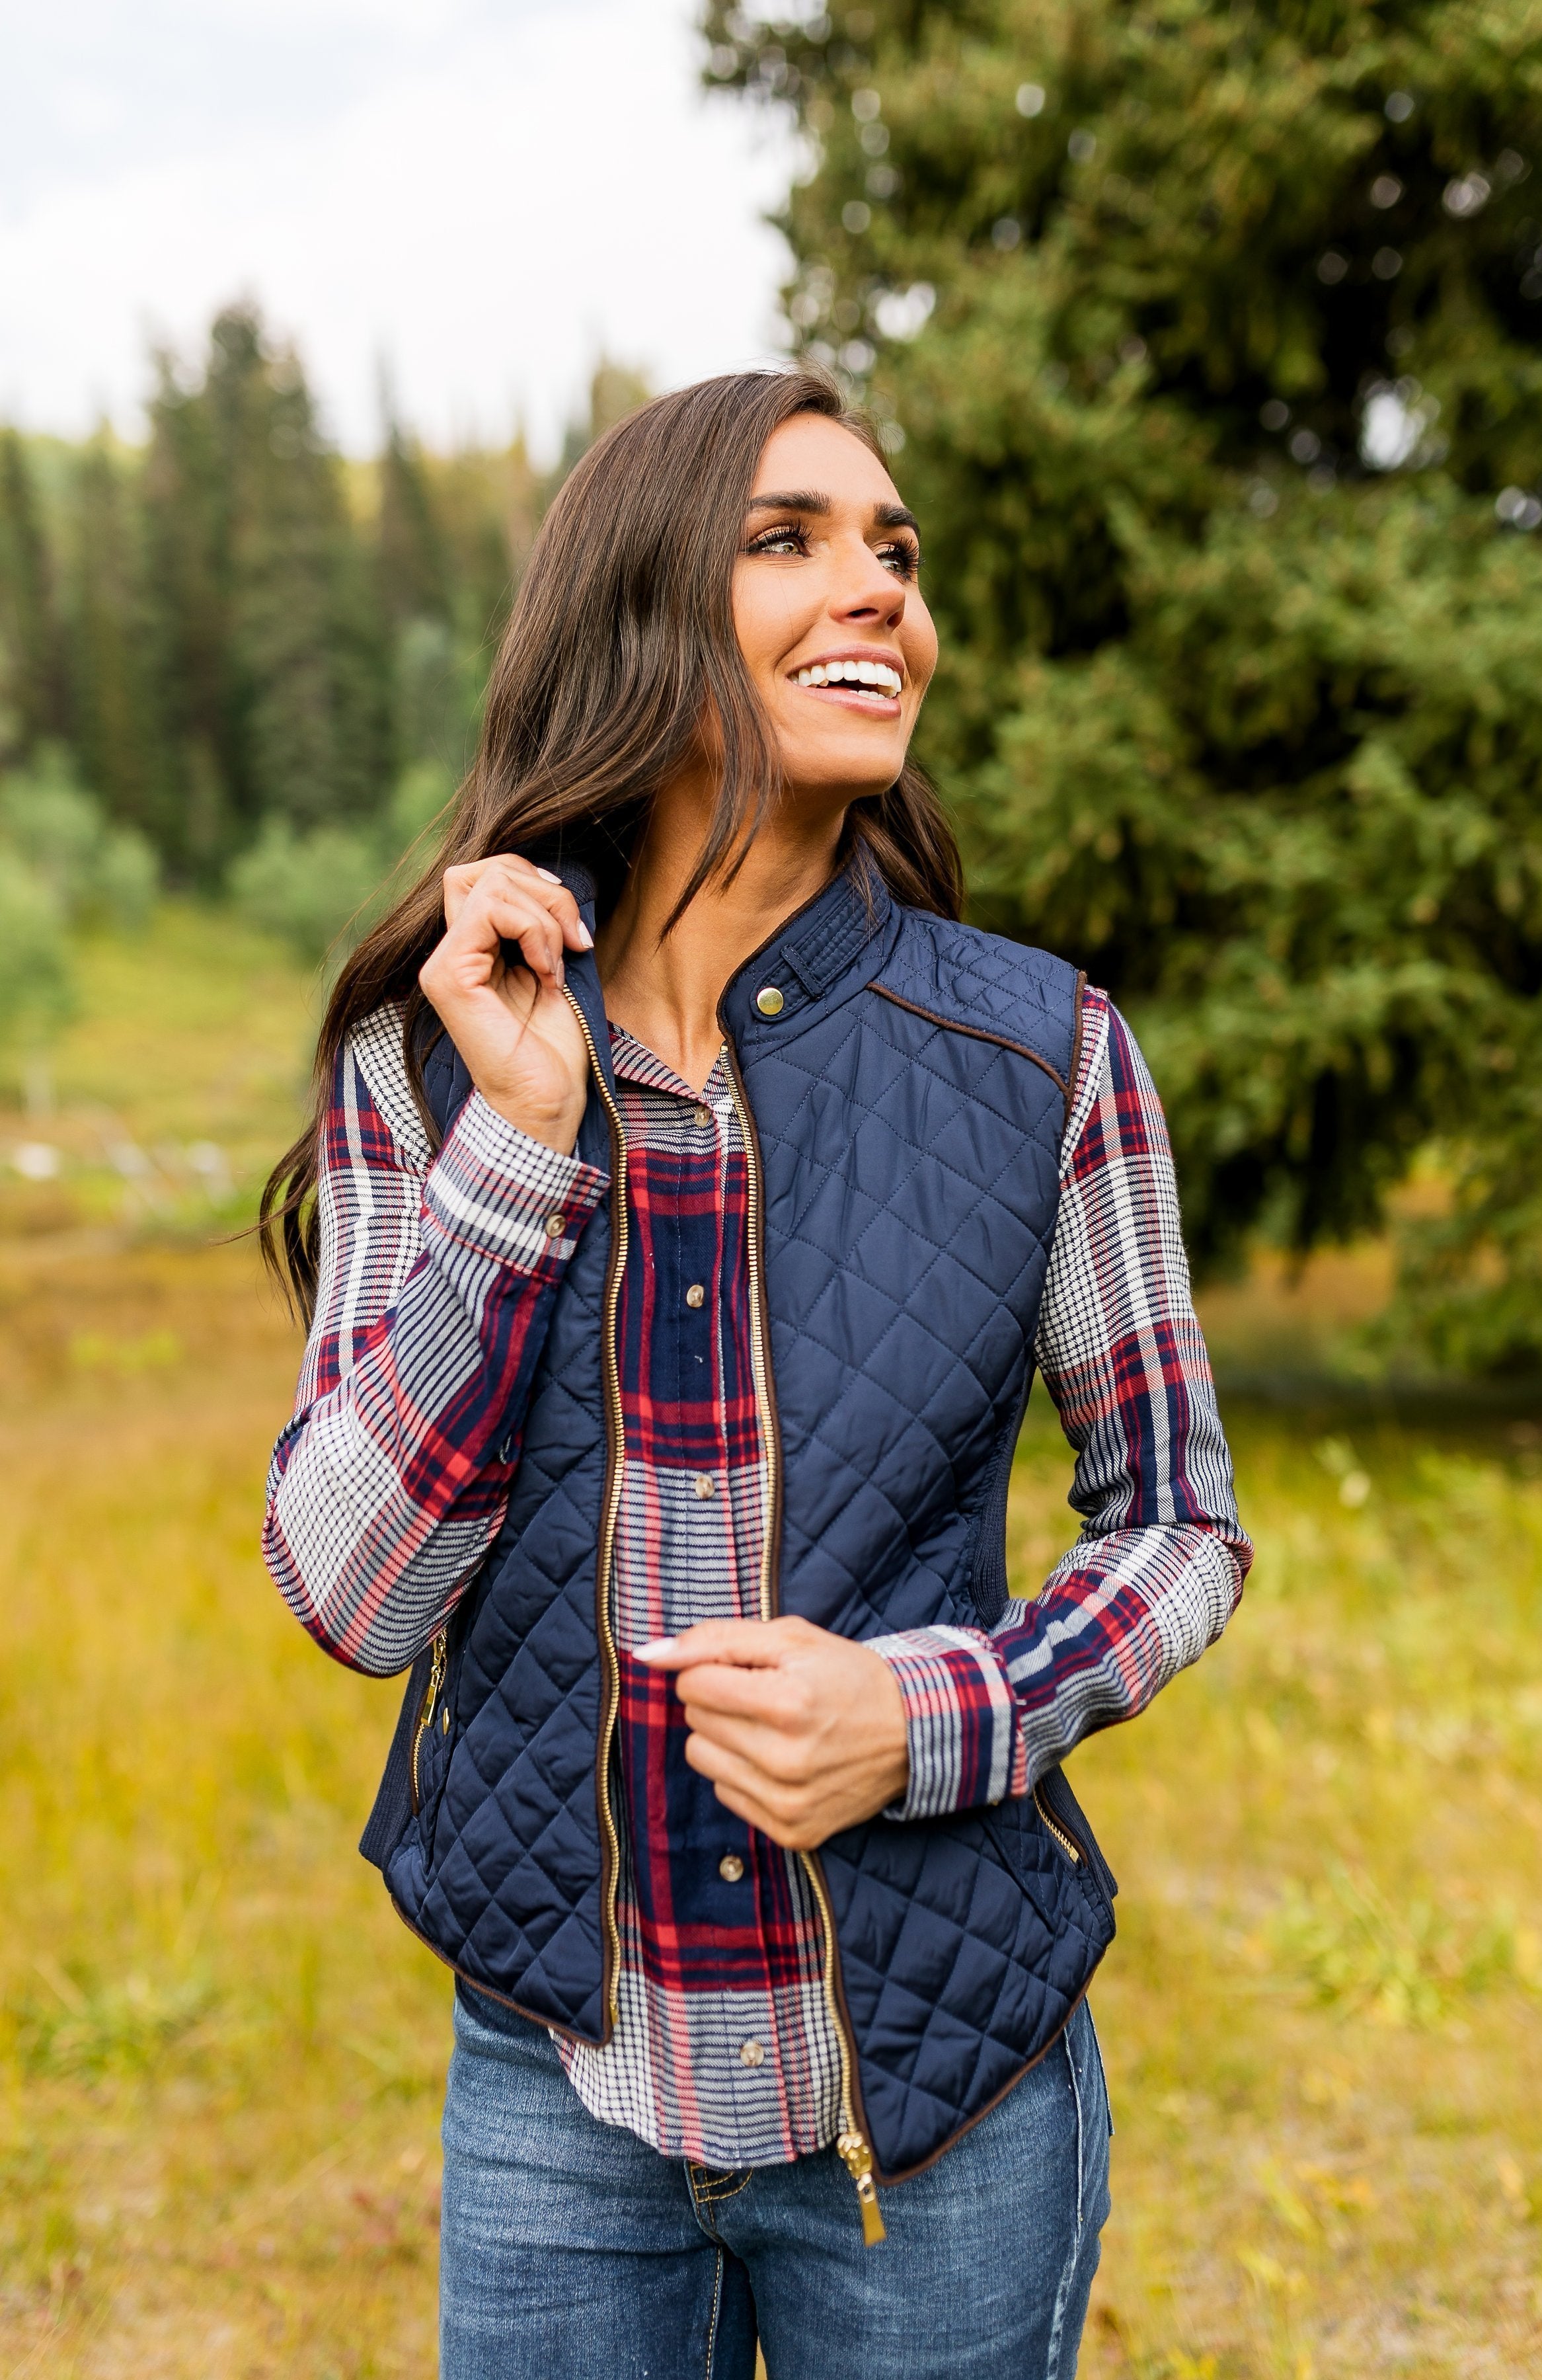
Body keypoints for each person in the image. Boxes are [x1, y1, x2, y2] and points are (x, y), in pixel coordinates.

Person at [259, 368, 1251, 2380]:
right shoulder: (434, 1057)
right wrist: (521, 1151)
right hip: (563, 2098)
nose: (876, 589)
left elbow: (1179, 1529)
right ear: (638, 611)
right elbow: (353, 1595)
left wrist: (929, 1709)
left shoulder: (1044, 1053)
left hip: (942, 2092)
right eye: (788, 541)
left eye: (896, 551)